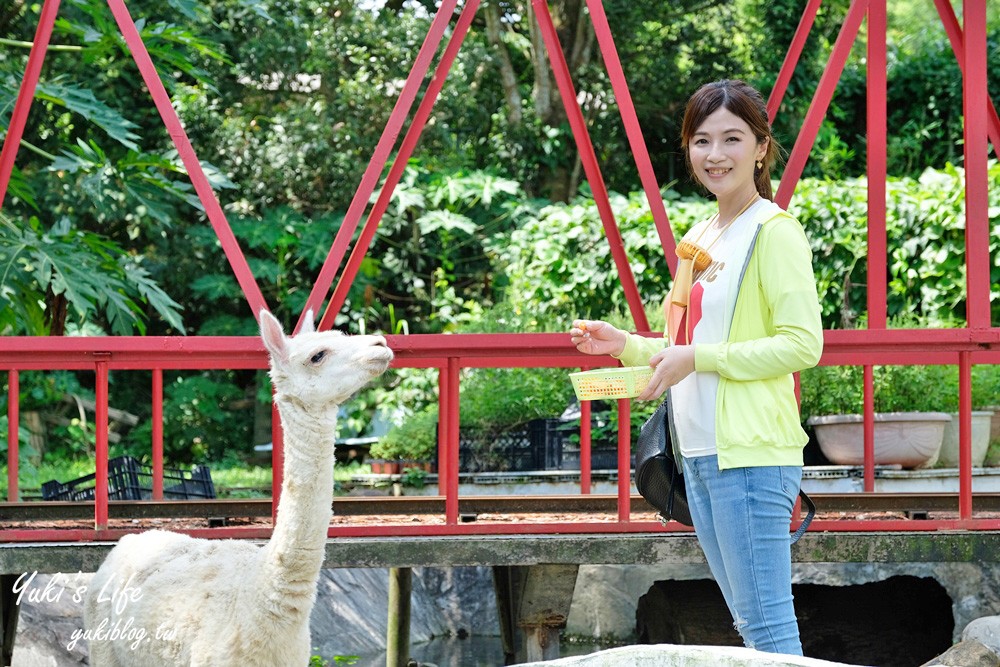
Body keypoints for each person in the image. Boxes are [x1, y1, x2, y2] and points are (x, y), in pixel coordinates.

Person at [569, 79, 823, 655]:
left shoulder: (773, 232)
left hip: (752, 456)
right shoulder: (702, 236)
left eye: (732, 139)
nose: (715, 155)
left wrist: (697, 357)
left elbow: (802, 345)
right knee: (745, 621)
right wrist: (623, 345)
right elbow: (678, 351)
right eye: (701, 140)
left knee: (765, 625)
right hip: (701, 455)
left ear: (761, 148)